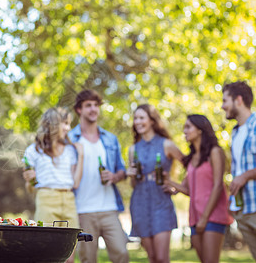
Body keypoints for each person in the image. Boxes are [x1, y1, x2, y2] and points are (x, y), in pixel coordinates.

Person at [68, 89, 129, 263]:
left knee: (122, 253)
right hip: (83, 210)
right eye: (88, 105)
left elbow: (122, 171)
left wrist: (114, 177)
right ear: (79, 109)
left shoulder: (110, 139)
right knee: (88, 259)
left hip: (109, 209)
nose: (93, 109)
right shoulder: (70, 139)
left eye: (96, 105)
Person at [164, 114, 233, 263]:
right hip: (194, 217)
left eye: (188, 127)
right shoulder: (192, 159)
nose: (185, 131)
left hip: (212, 216)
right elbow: (189, 191)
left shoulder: (215, 152)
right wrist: (169, 182)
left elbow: (218, 186)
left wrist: (204, 218)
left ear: (200, 129)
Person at [221, 81, 256, 263]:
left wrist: (245, 176)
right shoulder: (235, 133)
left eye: (225, 100)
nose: (222, 106)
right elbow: (238, 171)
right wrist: (231, 202)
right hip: (244, 210)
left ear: (238, 100)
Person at [22, 107, 83, 263]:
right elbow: (30, 188)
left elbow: (75, 183)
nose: (68, 128)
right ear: (54, 124)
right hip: (46, 198)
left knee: (69, 256)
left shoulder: (70, 150)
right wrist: (30, 179)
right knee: (46, 254)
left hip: (68, 199)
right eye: (65, 123)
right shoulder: (33, 151)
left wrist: (81, 155)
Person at [126, 104, 183, 263]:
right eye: (135, 118)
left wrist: (178, 188)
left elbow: (190, 166)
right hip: (139, 204)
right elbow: (133, 184)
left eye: (141, 118)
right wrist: (131, 175)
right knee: (152, 258)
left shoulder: (166, 144)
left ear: (152, 120)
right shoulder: (133, 149)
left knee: (161, 258)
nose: (137, 122)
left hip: (161, 203)